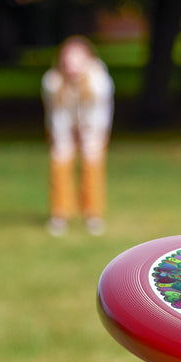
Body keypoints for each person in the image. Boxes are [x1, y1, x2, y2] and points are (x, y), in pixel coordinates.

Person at [41, 35, 114, 236]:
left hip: (93, 127)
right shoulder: (52, 81)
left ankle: (93, 214)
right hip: (63, 127)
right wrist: (65, 137)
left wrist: (87, 135)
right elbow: (57, 114)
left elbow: (99, 114)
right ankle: (60, 214)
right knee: (60, 162)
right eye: (68, 59)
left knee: (92, 165)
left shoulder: (99, 81)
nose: (72, 65)